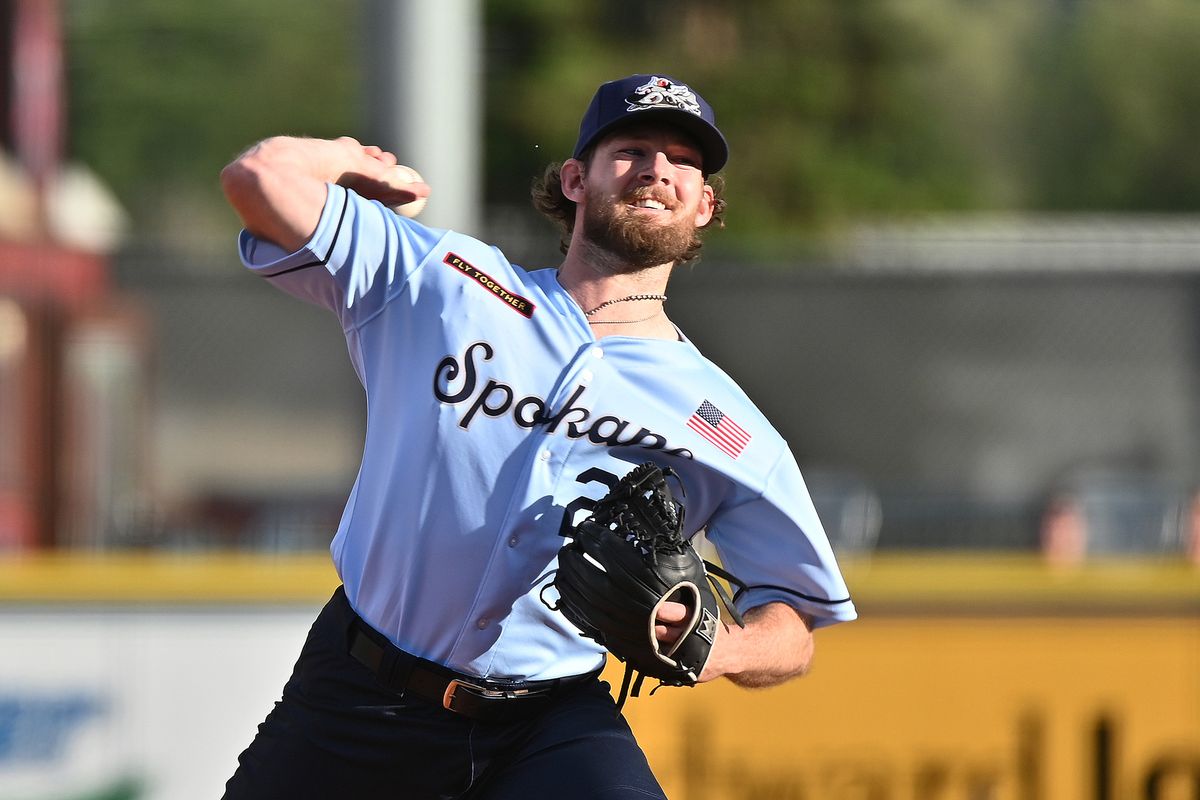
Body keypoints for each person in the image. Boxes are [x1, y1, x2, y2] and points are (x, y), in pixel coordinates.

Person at [219, 73, 856, 799]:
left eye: (684, 161)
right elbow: (258, 178)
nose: (657, 170)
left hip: (547, 724)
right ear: (577, 179)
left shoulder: (728, 424)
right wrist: (353, 160)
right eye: (633, 149)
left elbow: (796, 623)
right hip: (359, 697)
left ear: (705, 205)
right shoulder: (446, 281)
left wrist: (722, 647)